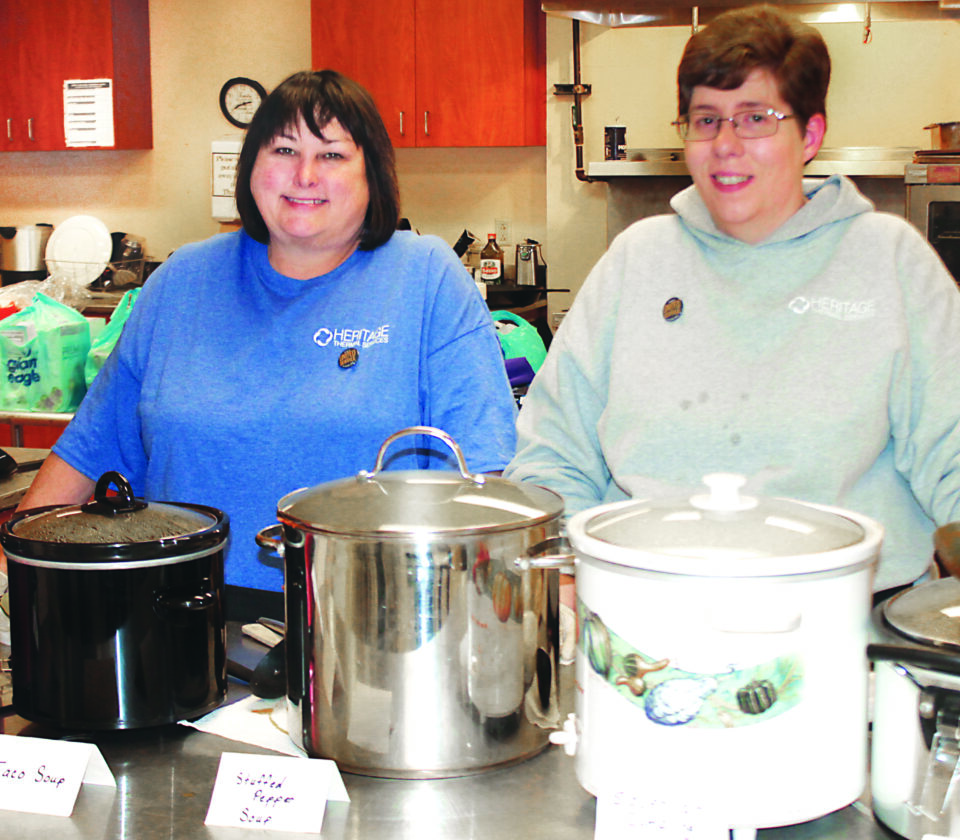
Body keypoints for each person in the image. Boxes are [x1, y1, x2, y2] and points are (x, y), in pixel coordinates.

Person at [15, 70, 517, 619]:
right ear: (252, 166)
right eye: (284, 148)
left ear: (373, 172)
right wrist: (14, 580)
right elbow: (86, 454)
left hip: (373, 628)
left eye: (332, 155)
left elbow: (483, 485)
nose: (304, 175)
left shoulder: (426, 279)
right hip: (176, 625)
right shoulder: (181, 282)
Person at [504, 5, 960, 594]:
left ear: (812, 134)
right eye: (705, 119)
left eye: (755, 119)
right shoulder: (635, 260)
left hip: (848, 622)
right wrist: (565, 571)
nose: (725, 145)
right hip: (641, 619)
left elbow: (955, 451)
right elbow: (553, 451)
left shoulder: (890, 261)